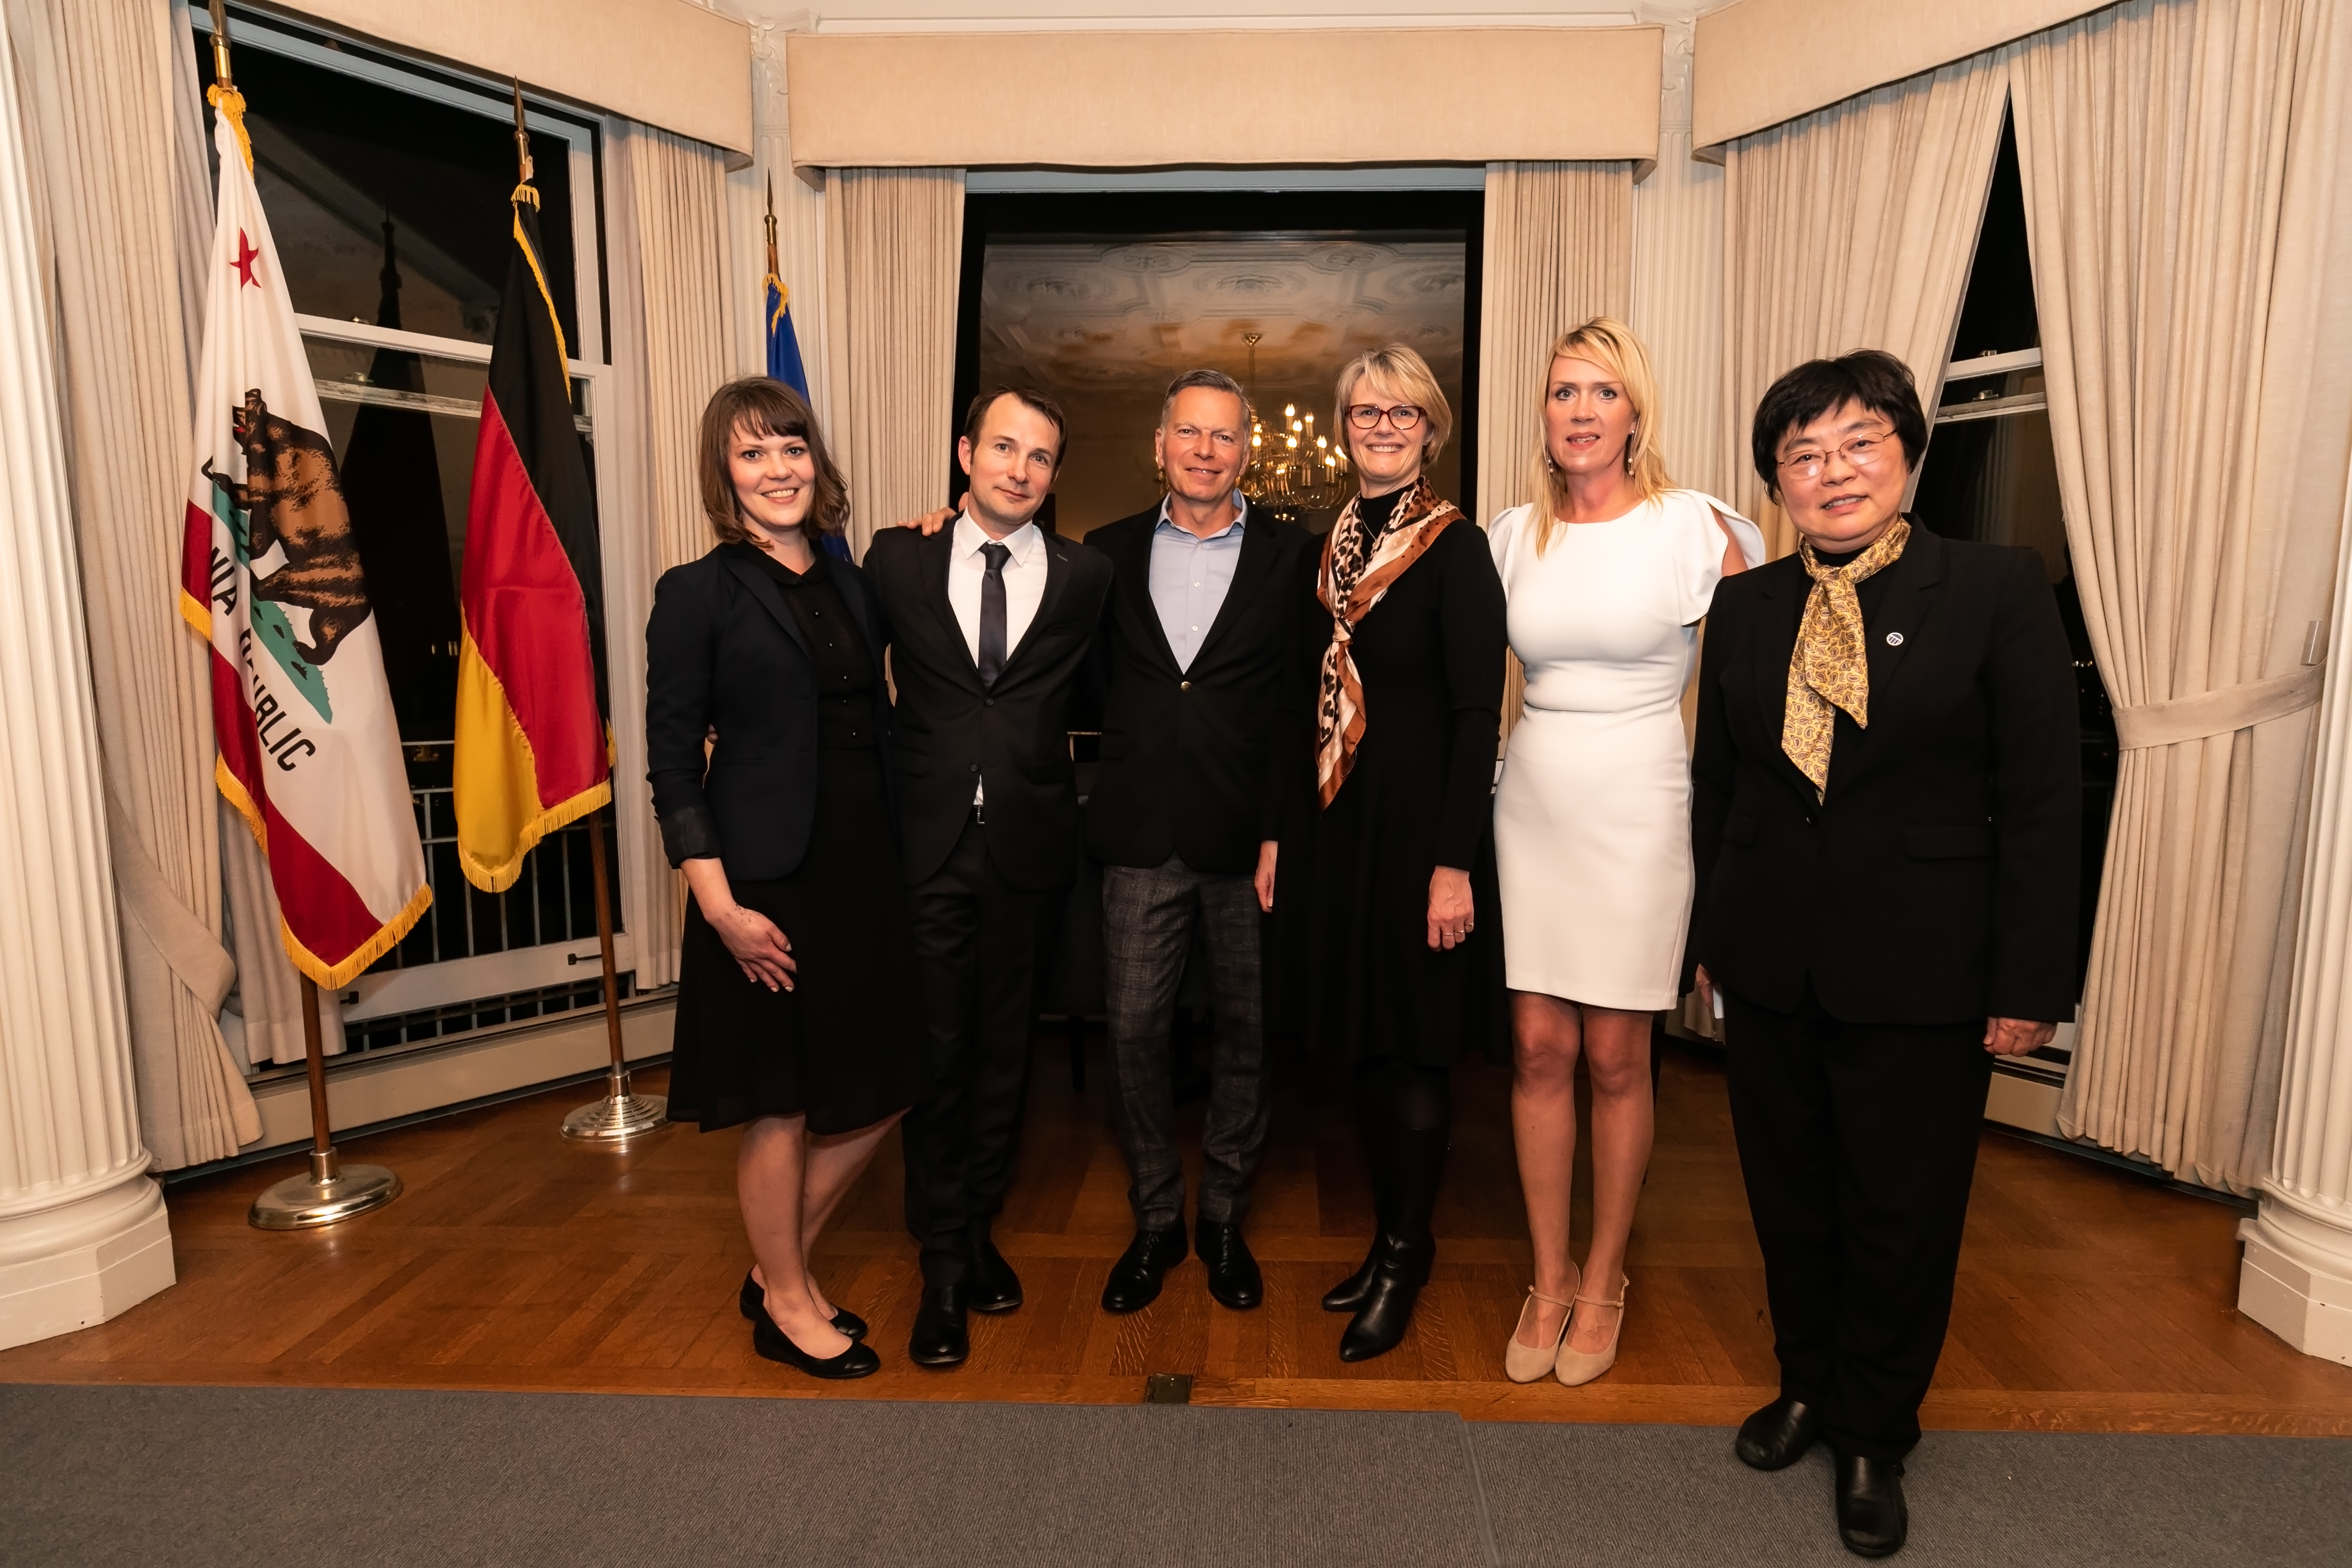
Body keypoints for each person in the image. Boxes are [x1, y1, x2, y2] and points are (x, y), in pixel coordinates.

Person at [1689, 351, 2079, 1557]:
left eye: (1857, 443)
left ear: (1906, 455)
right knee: (1789, 1193)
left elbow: (2044, 800)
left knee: (1902, 1210)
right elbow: (1723, 791)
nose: (1831, 471)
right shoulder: (1745, 606)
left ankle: (1874, 1429)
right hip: (1767, 959)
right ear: (1777, 484)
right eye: (1802, 455)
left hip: (1924, 966)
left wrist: (2028, 982)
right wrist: (1710, 937)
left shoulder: (1996, 588)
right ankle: (1806, 1380)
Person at [1488, 318, 1764, 1387]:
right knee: (1536, 1048)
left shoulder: (1696, 528)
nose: (1581, 410)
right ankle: (1547, 1273)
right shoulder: (1513, 536)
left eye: (1602, 391)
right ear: (1545, 415)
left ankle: (1605, 1275)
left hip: (1644, 802)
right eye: (1564, 392)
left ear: (1634, 412)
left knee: (1615, 1053)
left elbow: (1756, 687)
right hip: (1535, 803)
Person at [645, 376, 922, 1380]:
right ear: (726, 473)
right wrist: (718, 907)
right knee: (782, 1101)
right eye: (754, 453)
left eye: (792, 447)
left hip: (863, 871)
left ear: (817, 459)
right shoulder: (697, 591)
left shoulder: (852, 585)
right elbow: (672, 761)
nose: (778, 469)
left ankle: (774, 1263)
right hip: (761, 887)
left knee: (893, 1082)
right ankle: (790, 1301)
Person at [862, 386, 1116, 1370]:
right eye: (1003, 446)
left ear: (1055, 475)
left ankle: (976, 1228)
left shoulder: (1087, 576)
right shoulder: (897, 557)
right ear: (964, 452)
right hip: (922, 844)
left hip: (1028, 846)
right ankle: (940, 1257)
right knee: (936, 1050)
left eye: (1041, 456)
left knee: (1008, 1051)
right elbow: (845, 677)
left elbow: (1103, 696)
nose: (1019, 468)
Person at [1275, 343, 1508, 1364]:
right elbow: (1297, 702)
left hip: (1420, 838)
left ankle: (1409, 1251)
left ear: (1430, 429)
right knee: (1367, 1050)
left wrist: (1453, 863)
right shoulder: (1322, 546)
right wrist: (1285, 834)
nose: (1380, 425)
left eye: (1400, 413)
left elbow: (1474, 714)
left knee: (1414, 1050)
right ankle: (1384, 1239)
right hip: (1340, 829)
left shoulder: (1455, 549)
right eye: (1364, 411)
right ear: (1343, 423)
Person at [1083, 369, 1311, 1316]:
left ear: (1248, 451)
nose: (1206, 450)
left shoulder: (1293, 560)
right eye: (1190, 432)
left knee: (1248, 1035)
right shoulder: (1101, 555)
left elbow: (1306, 704)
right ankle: (1155, 1218)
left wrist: (1280, 830)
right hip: (1138, 833)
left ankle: (1221, 1216)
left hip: (1245, 835)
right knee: (1134, 1028)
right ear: (1160, 443)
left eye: (1224, 436)